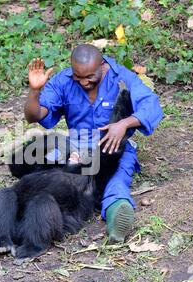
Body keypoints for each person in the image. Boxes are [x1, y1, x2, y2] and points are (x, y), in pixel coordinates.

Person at [23, 44, 163, 242]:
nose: (83, 82)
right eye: (78, 77)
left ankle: (117, 220)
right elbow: (34, 115)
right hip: (75, 148)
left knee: (115, 182)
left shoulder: (121, 77)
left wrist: (123, 124)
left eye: (89, 77)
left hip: (113, 150)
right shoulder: (63, 81)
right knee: (44, 176)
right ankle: (13, 215)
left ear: (102, 65)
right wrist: (35, 91)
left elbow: (152, 105)